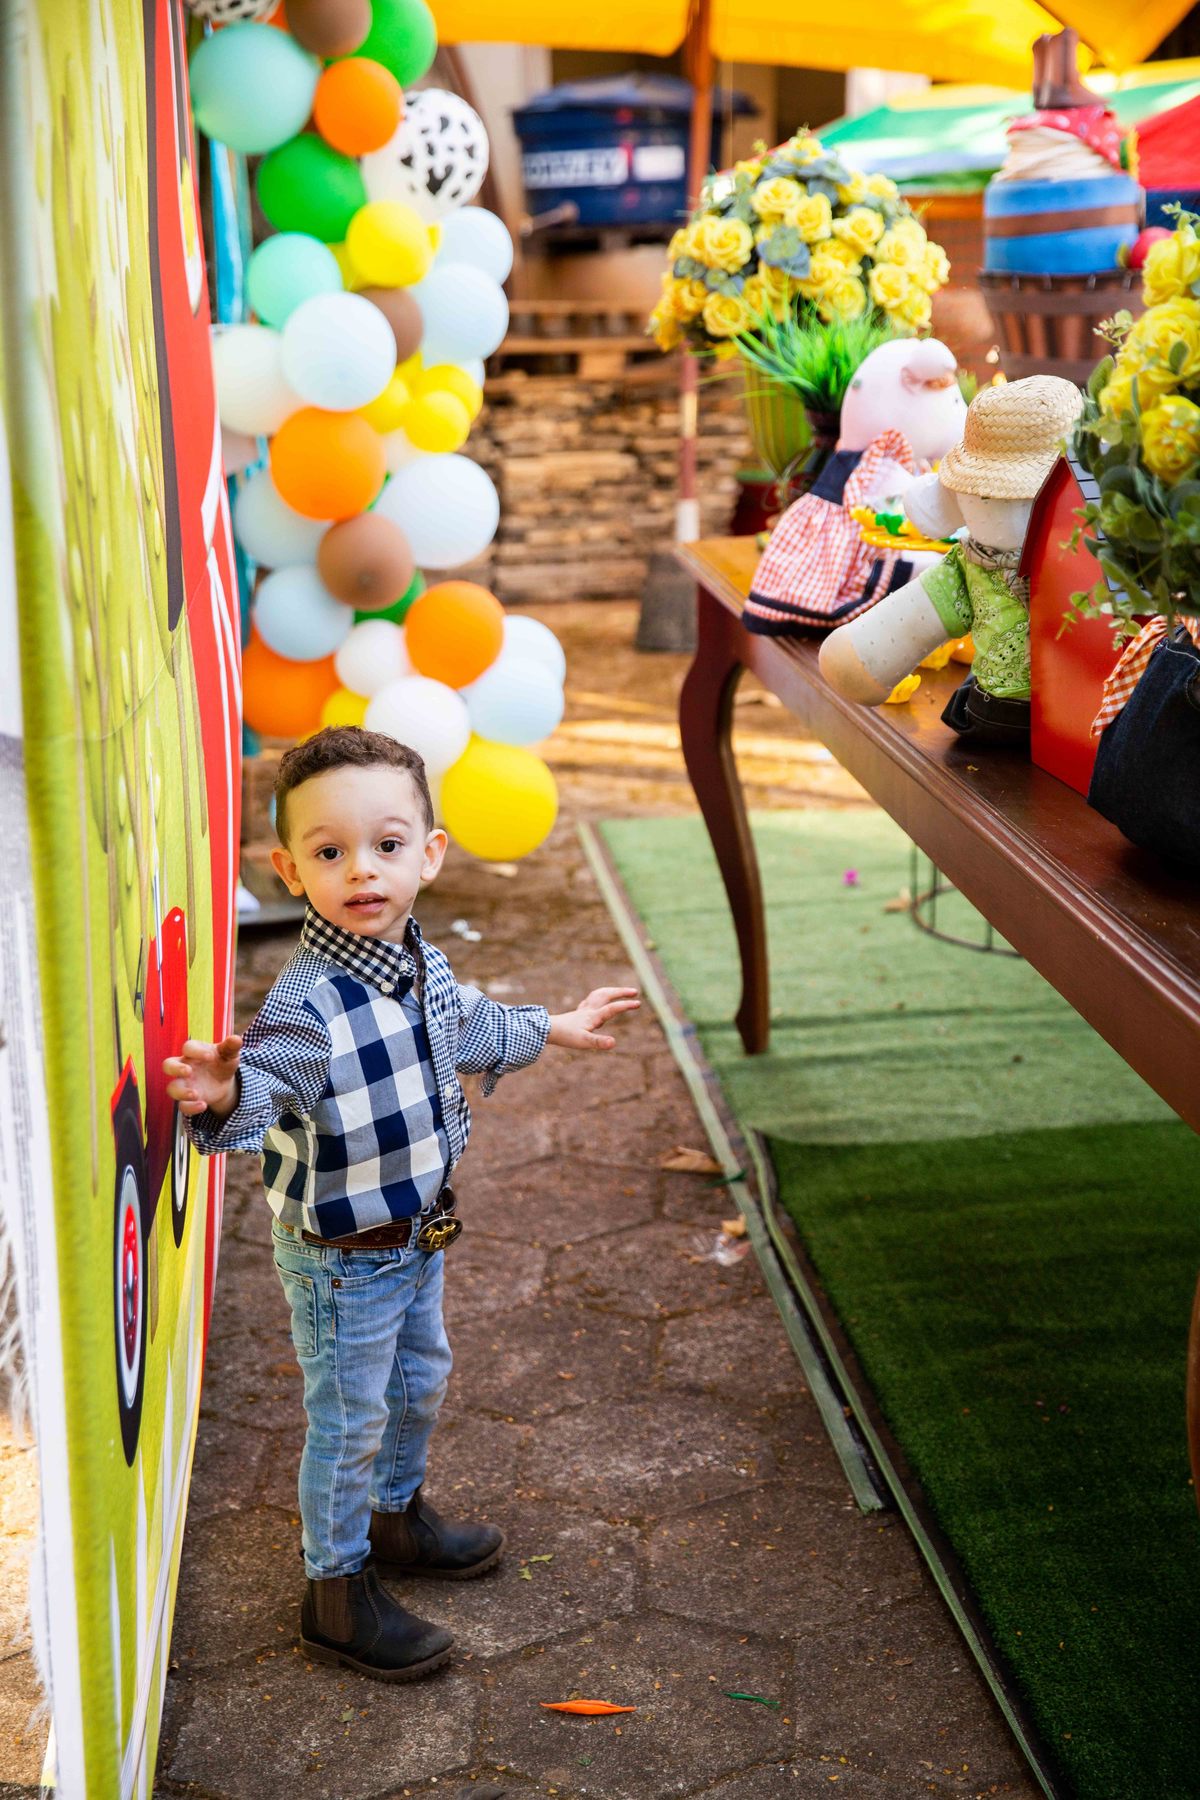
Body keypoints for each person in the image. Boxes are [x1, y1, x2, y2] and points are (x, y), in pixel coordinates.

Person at [164, 725, 639, 1683]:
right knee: (349, 1421)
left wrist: (553, 1024)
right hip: (343, 1261)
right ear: (288, 870)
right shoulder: (307, 1005)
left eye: (386, 845)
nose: (361, 870)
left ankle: (395, 1520)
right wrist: (224, 1095)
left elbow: (464, 1024)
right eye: (329, 852)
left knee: (420, 1383)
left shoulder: (417, 959)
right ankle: (335, 1592)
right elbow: (269, 1081)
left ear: (429, 853)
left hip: (416, 1239)